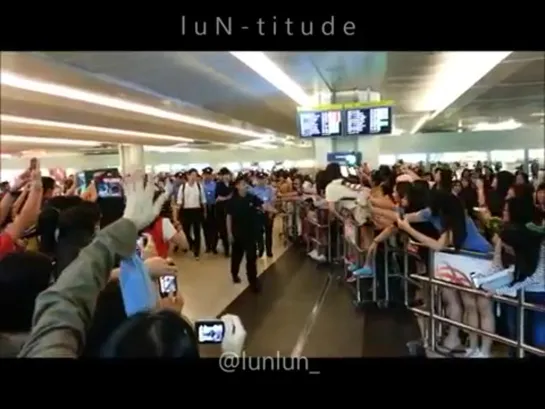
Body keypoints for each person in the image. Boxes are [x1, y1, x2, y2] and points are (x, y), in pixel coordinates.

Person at [226, 175, 263, 293]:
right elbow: (228, 217)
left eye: (246, 184)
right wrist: (229, 233)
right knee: (237, 257)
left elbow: (263, 205)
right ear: (237, 186)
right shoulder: (232, 201)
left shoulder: (252, 198)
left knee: (251, 258)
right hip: (237, 234)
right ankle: (234, 274)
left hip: (250, 233)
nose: (245, 186)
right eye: (242, 184)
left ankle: (253, 281)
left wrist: (272, 209)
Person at [176, 168, 206, 260]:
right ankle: (192, 244)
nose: (193, 177)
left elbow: (203, 200)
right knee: (186, 231)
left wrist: (205, 212)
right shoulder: (183, 187)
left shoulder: (199, 186)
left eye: (195, 175)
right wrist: (177, 214)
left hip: (197, 210)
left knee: (197, 231)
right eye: (192, 175)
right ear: (188, 176)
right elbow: (179, 201)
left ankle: (197, 252)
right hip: (186, 211)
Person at [250, 172, 276, 258]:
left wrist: (271, 213)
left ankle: (269, 251)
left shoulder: (270, 190)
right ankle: (261, 249)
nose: (261, 181)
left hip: (268, 213)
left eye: (263, 179)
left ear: (266, 179)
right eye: (259, 179)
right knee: (258, 233)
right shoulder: (253, 191)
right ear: (257, 180)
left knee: (269, 233)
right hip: (258, 214)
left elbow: (273, 201)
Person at [215, 167, 234, 257]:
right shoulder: (219, 185)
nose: (226, 176)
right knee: (223, 229)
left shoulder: (232, 184)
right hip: (221, 209)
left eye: (227, 174)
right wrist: (228, 197)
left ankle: (233, 247)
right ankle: (226, 248)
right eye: (224, 175)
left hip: (231, 209)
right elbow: (218, 198)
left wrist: (226, 198)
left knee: (232, 228)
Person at [201, 167, 218, 254]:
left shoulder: (215, 185)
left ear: (211, 175)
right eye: (205, 175)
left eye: (209, 174)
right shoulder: (200, 185)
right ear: (203, 175)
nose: (207, 176)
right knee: (206, 228)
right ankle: (208, 246)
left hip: (214, 207)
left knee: (214, 228)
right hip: (204, 208)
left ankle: (214, 246)